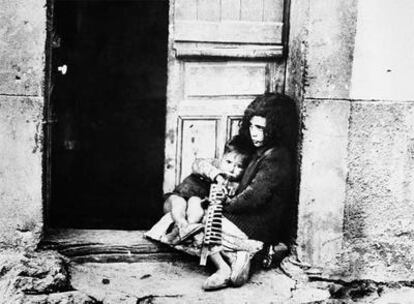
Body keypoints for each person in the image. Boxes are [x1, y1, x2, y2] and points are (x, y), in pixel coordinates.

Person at [201, 93, 298, 290]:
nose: (254, 133)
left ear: (276, 129)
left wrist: (225, 203)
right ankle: (239, 257)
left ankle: (233, 261)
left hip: (257, 224)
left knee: (203, 224)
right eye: (252, 126)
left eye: (261, 128)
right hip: (251, 220)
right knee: (203, 219)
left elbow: (254, 197)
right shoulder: (261, 152)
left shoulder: (276, 157)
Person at [162, 135, 253, 244]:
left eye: (239, 166)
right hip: (177, 196)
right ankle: (181, 224)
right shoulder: (213, 165)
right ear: (222, 157)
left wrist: (225, 196)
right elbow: (198, 164)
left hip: (197, 200)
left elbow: (230, 202)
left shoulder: (236, 184)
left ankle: (183, 230)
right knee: (178, 203)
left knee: (196, 209)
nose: (232, 168)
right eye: (228, 162)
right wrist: (217, 176)